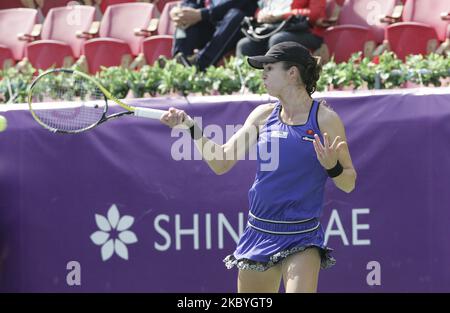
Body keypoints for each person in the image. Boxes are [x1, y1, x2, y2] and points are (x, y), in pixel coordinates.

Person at [160, 42, 357, 293]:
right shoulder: (262, 116)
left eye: (269, 67)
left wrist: (333, 168)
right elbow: (221, 161)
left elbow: (349, 183)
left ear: (292, 73)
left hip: (303, 235)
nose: (263, 74)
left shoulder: (326, 120)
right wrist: (190, 127)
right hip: (259, 233)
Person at [170, 0, 258, 71]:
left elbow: (238, 3)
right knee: (183, 16)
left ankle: (199, 65)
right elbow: (190, 2)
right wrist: (182, 12)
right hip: (208, 22)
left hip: (235, 26)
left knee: (236, 14)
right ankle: (179, 60)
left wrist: (203, 14)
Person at [236, 0, 326, 58]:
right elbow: (261, 8)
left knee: (277, 40)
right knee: (244, 44)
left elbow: (315, 14)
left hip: (305, 31)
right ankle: (249, 83)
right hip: (273, 29)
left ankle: (279, 81)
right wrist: (260, 15)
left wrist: (283, 16)